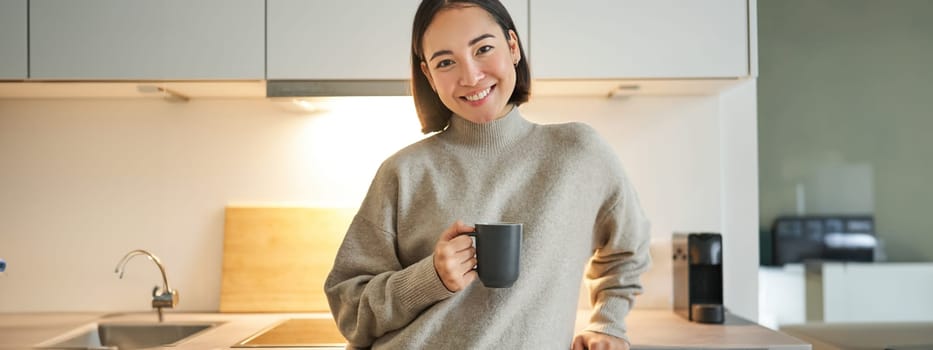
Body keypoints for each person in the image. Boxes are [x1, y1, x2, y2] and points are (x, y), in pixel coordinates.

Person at [324, 0, 651, 349]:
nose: (470, 76)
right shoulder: (402, 173)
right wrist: (429, 278)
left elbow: (627, 249)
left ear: (512, 47)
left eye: (483, 48)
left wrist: (609, 324)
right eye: (446, 62)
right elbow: (349, 308)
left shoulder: (578, 152)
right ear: (429, 75)